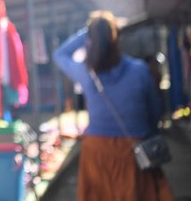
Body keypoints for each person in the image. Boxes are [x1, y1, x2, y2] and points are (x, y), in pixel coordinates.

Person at [53, 10, 173, 201]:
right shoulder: (139, 70)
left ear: (91, 40)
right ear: (116, 38)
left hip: (97, 152)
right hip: (134, 150)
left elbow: (60, 54)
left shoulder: (87, 72)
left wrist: (90, 31)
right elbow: (155, 111)